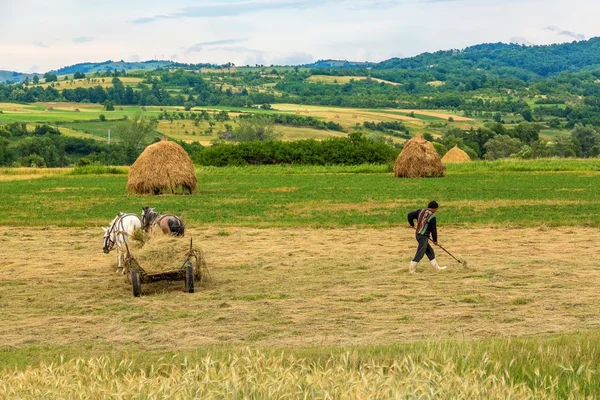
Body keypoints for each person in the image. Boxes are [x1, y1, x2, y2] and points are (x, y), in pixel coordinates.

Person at [407, 201, 447, 274]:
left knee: (430, 251)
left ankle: (437, 268)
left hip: (418, 234)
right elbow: (433, 230)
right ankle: (411, 270)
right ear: (434, 208)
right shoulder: (432, 217)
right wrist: (435, 240)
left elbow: (409, 215)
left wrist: (411, 224)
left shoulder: (420, 211)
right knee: (420, 253)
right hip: (423, 237)